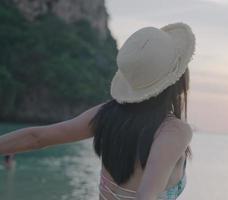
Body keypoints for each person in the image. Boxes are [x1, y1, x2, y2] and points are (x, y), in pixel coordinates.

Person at [0, 22, 195, 200]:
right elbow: (146, 196)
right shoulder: (174, 131)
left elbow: (38, 137)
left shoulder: (107, 114)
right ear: (177, 79)